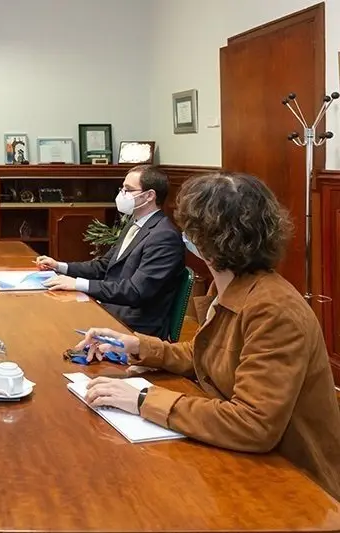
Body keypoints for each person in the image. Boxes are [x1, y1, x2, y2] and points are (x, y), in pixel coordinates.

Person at [75, 172, 340, 501]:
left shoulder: (275, 310)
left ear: (206, 240)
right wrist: (138, 345)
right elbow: (206, 353)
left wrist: (142, 401)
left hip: (293, 485)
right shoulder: (232, 285)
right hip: (245, 461)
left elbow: (253, 424)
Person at [36, 165, 184, 339]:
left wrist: (78, 284)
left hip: (134, 327)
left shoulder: (164, 236)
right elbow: (104, 265)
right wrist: (60, 266)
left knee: (55, 331)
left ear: (150, 195)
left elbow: (135, 291)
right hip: (111, 309)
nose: (122, 194)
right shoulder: (134, 224)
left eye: (128, 190)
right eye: (122, 188)